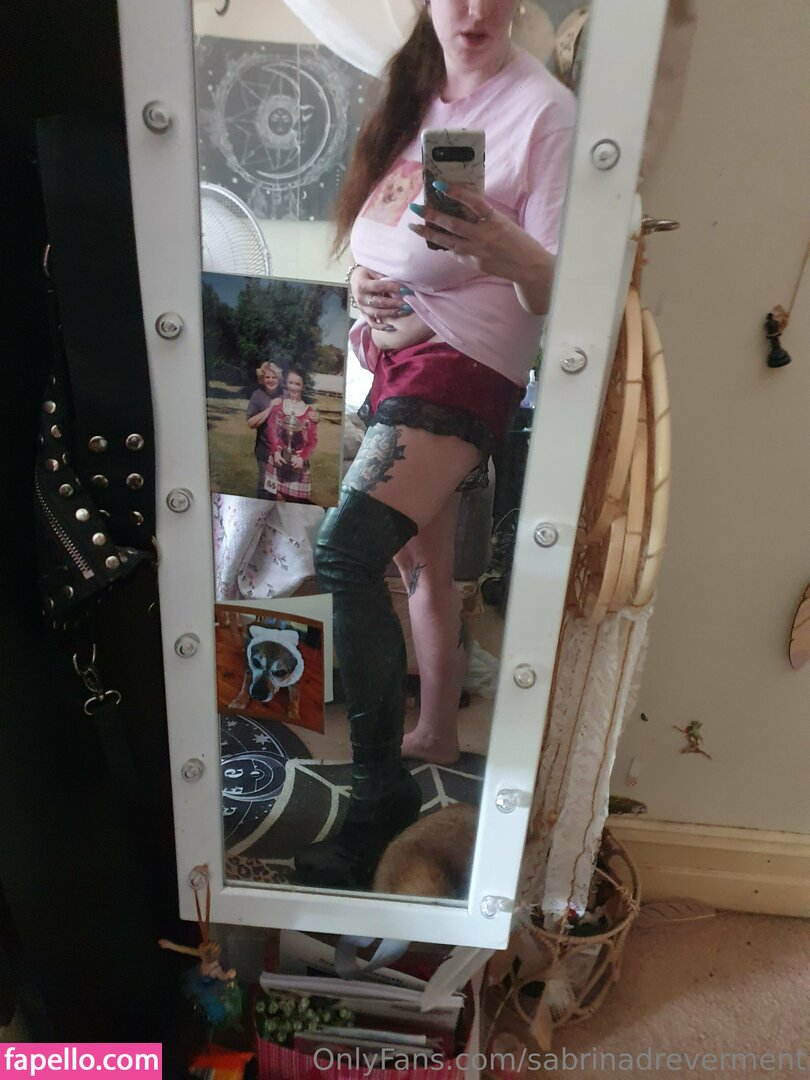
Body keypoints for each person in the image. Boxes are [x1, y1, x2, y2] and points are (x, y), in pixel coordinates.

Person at [294, 0, 575, 889]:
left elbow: (560, 286)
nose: (476, 9)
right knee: (423, 565)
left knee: (349, 550)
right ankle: (438, 733)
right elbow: (383, 232)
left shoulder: (544, 112)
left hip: (463, 367)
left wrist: (501, 245)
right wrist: (366, 285)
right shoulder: (415, 91)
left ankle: (379, 794)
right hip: (394, 358)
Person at [265, 365, 319, 503]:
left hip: (297, 461)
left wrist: (302, 458)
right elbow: (272, 431)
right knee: (278, 499)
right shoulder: (279, 407)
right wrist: (275, 452)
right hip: (279, 459)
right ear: (286, 383)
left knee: (295, 503)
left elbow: (312, 441)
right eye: (291, 383)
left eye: (297, 384)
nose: (293, 387)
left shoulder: (309, 412)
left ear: (303, 386)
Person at [246, 361, 282, 499]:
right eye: (267, 377)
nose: (271, 380)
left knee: (282, 488)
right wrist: (270, 408)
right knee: (266, 487)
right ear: (262, 379)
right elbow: (250, 423)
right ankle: (261, 509)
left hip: (284, 453)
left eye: (274, 377)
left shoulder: (285, 394)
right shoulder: (257, 395)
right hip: (265, 450)